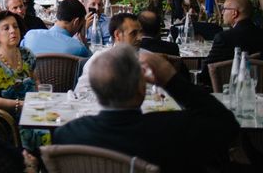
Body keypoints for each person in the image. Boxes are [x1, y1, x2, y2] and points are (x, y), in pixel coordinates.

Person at [54, 45, 239, 172]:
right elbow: (228, 126)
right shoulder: (174, 130)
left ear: (93, 88)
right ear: (142, 89)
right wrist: (170, 79)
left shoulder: (68, 135)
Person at [0, 10, 50, 151]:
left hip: (33, 112)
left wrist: (41, 98)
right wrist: (18, 104)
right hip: (7, 122)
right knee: (49, 134)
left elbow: (36, 82)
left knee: (63, 126)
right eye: (6, 28)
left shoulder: (27, 54)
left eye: (15, 27)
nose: (12, 31)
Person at [74, 13, 142, 98]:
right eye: (133, 33)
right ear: (117, 35)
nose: (140, 38)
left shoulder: (145, 59)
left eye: (140, 32)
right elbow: (81, 91)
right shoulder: (100, 60)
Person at [200, 0, 263, 83]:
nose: (222, 13)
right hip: (258, 88)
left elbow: (206, 73)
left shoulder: (224, 38)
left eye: (224, 9)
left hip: (228, 90)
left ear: (234, 13)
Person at [21, 0, 91, 57]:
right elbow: (92, 66)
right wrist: (83, 40)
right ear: (76, 22)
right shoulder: (78, 48)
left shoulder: (30, 35)